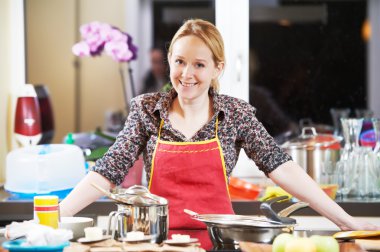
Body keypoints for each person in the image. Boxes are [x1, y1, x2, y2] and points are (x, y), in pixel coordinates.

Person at [60, 18, 379, 236]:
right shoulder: (147, 110)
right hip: (155, 242)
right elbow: (108, 170)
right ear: (170, 59)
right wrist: (55, 217)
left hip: (220, 241)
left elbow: (281, 167)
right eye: (180, 61)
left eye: (199, 64)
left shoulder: (235, 114)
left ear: (217, 68)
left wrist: (345, 221)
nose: (187, 73)